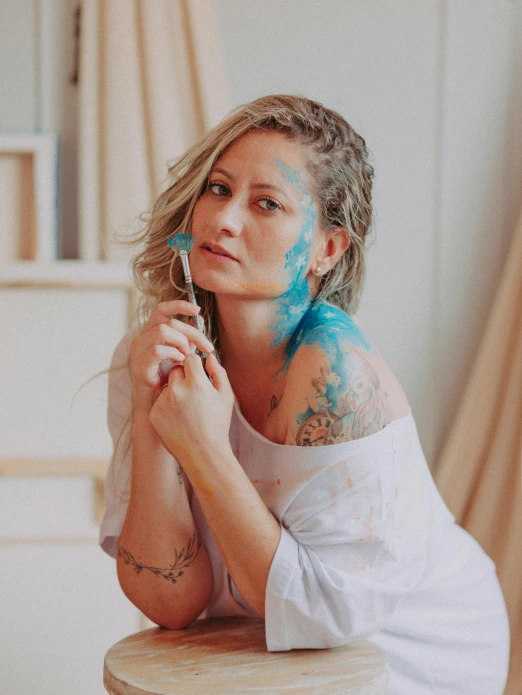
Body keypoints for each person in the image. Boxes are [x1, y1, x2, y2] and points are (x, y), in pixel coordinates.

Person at [100, 95, 510, 694]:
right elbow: (169, 601)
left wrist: (204, 448)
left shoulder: (336, 377)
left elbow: (325, 616)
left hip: (406, 645)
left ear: (327, 248)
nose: (224, 219)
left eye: (267, 203)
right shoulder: (153, 359)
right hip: (264, 649)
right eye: (217, 189)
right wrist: (151, 421)